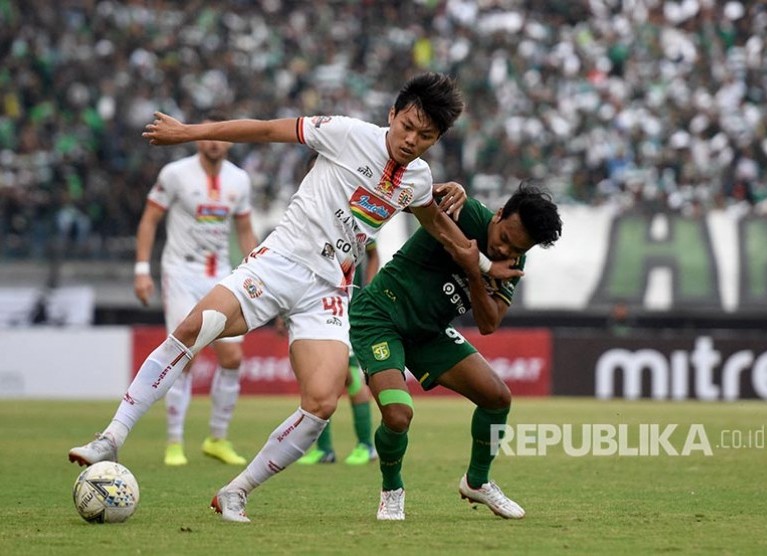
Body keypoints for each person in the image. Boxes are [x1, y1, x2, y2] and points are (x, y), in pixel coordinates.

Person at [68, 72, 515, 523]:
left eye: (426, 136)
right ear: (392, 114)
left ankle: (235, 492)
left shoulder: (418, 179)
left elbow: (439, 227)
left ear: (436, 139)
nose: (411, 140)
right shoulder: (344, 133)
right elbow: (265, 129)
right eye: (407, 127)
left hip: (329, 291)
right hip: (280, 262)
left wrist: (484, 267)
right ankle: (112, 436)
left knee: (321, 403)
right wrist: (188, 132)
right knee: (194, 328)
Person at [349, 182, 562, 520]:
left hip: (428, 332)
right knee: (398, 415)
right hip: (380, 316)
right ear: (498, 214)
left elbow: (489, 323)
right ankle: (392, 490)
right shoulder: (464, 211)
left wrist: (475, 273)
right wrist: (433, 190)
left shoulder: (512, 261)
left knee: (498, 397)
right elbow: (401, 201)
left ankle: (477, 481)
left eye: (516, 249)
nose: (504, 251)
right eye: (504, 239)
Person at [133, 112, 258, 467]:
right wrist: (142, 270)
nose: (214, 142)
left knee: (232, 357)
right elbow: (149, 220)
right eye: (208, 135)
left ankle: (217, 438)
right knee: (183, 354)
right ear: (199, 137)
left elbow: (245, 231)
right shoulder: (175, 174)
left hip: (220, 274)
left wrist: (258, 271)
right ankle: (174, 442)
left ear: (229, 140)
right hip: (181, 271)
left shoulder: (240, 180)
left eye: (221, 136)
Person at [296, 238, 380, 466]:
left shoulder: (357, 224)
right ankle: (324, 449)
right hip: (317, 310)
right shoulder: (313, 226)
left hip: (347, 312)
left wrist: (369, 289)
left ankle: (366, 445)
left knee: (352, 377)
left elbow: (373, 255)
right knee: (318, 378)